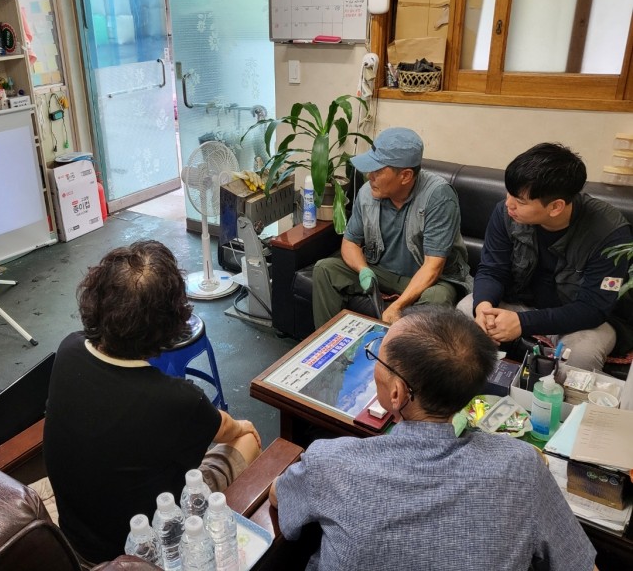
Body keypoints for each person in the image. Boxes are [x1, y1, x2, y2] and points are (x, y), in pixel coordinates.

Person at [269, 305, 597, 571]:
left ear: (397, 393)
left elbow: (279, 497)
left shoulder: (330, 463)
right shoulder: (523, 467)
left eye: (377, 356)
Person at [43, 240, 262, 565]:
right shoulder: (178, 400)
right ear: (171, 320)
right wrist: (242, 426)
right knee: (248, 439)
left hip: (73, 540)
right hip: (142, 550)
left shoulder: (68, 349)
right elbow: (229, 430)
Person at [457, 142, 633, 371]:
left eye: (520, 201)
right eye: (509, 193)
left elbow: (593, 308)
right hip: (520, 303)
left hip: (578, 319)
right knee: (466, 311)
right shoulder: (506, 213)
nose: (508, 204)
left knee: (582, 353)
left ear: (556, 207)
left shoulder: (609, 233)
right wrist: (483, 307)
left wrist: (523, 323)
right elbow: (492, 269)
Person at [312, 127, 471, 327]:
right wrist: (363, 270)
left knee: (437, 298)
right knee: (325, 269)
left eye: (377, 171)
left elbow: (433, 267)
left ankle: (402, 348)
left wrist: (397, 306)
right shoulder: (367, 192)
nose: (369, 176)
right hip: (382, 272)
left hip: (430, 279)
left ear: (405, 176)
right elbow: (350, 243)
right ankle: (328, 341)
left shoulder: (438, 197)